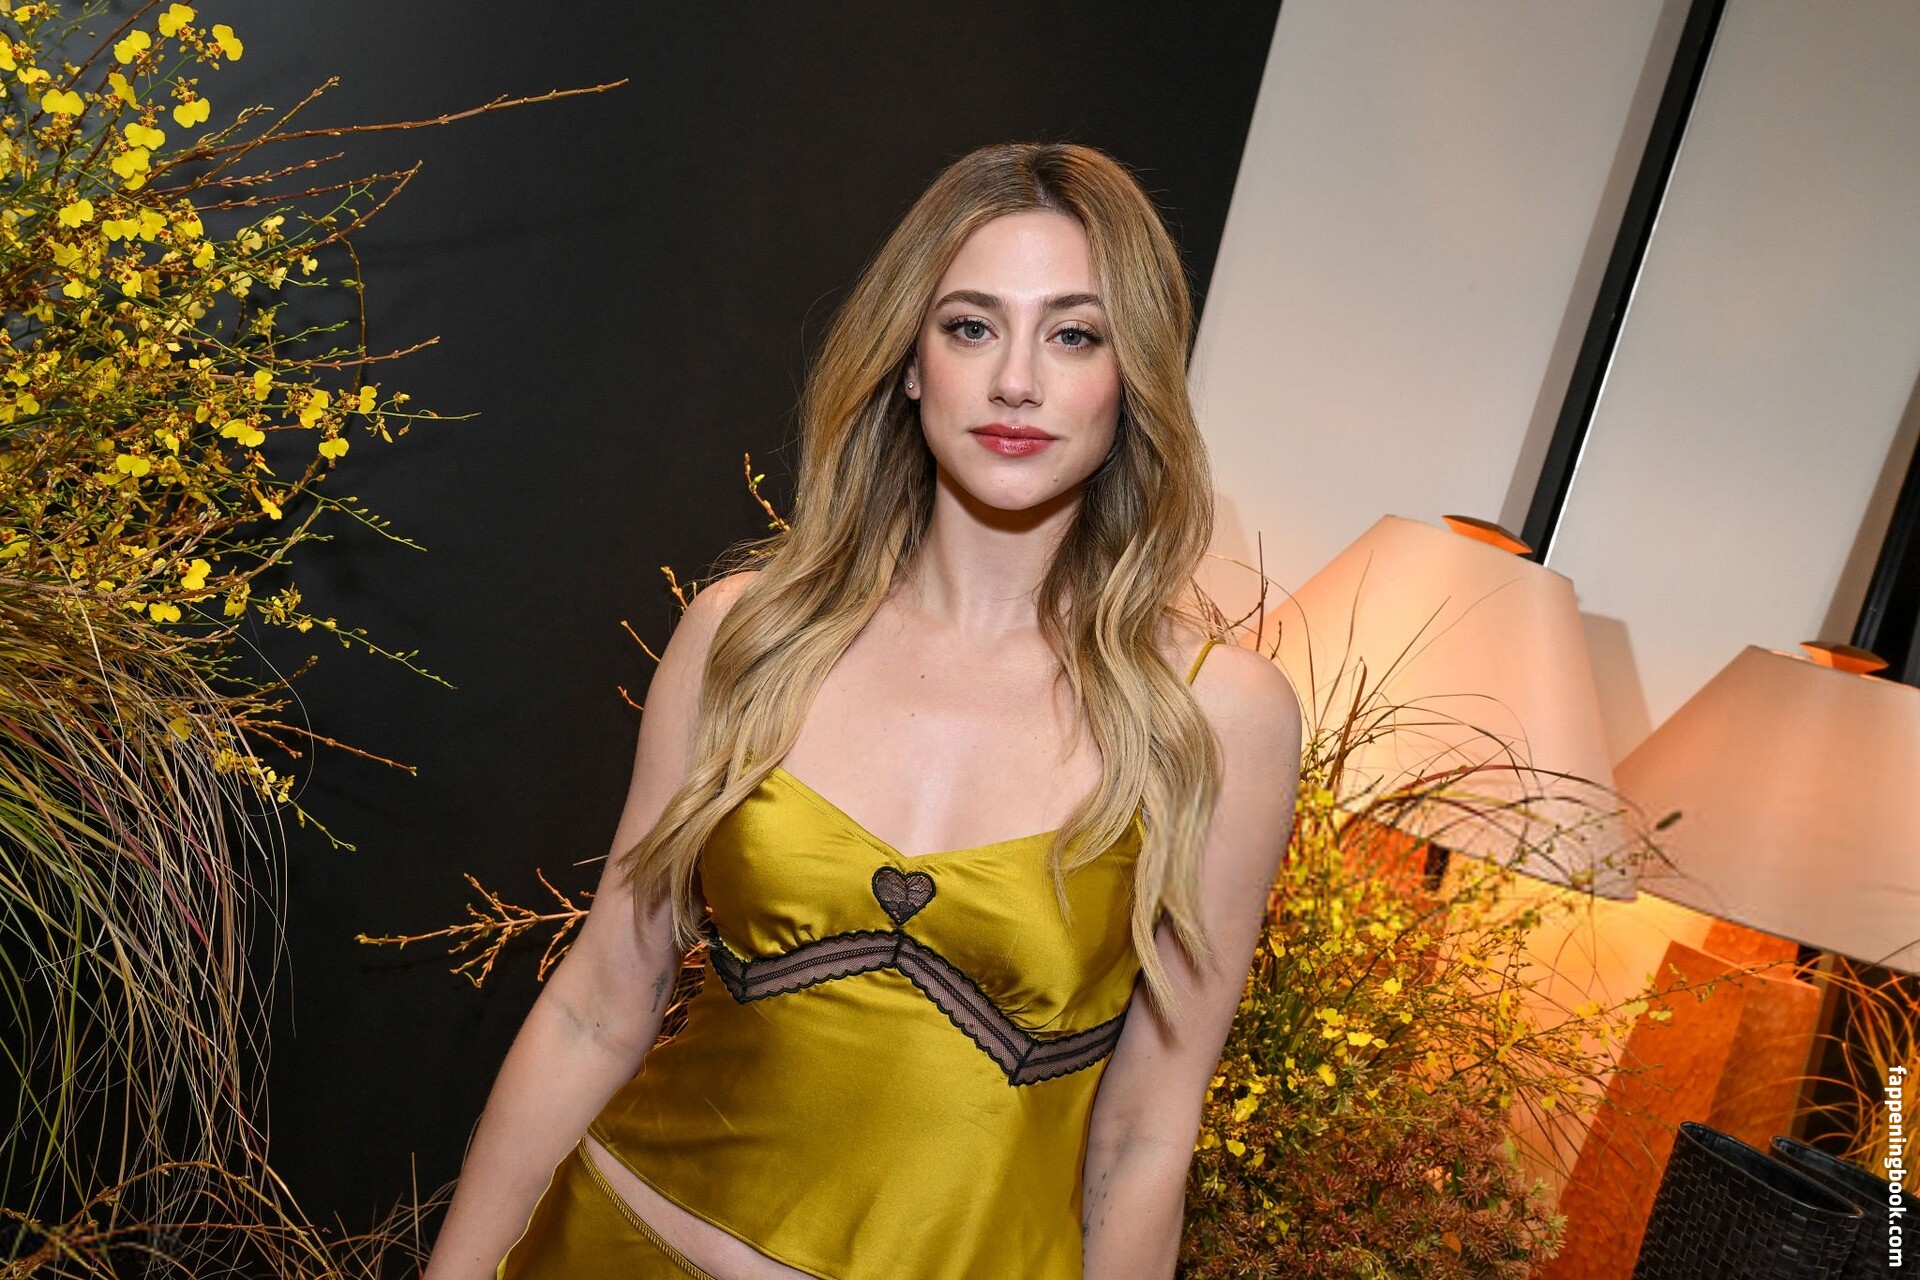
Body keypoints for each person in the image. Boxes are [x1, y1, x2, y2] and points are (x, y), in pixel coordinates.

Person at [421, 141, 1302, 1280]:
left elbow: (1143, 1136)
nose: (1017, 381)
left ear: (1132, 375)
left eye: (1073, 335)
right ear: (911, 363)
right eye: (971, 327)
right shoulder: (747, 635)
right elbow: (598, 1007)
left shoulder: (1214, 715)